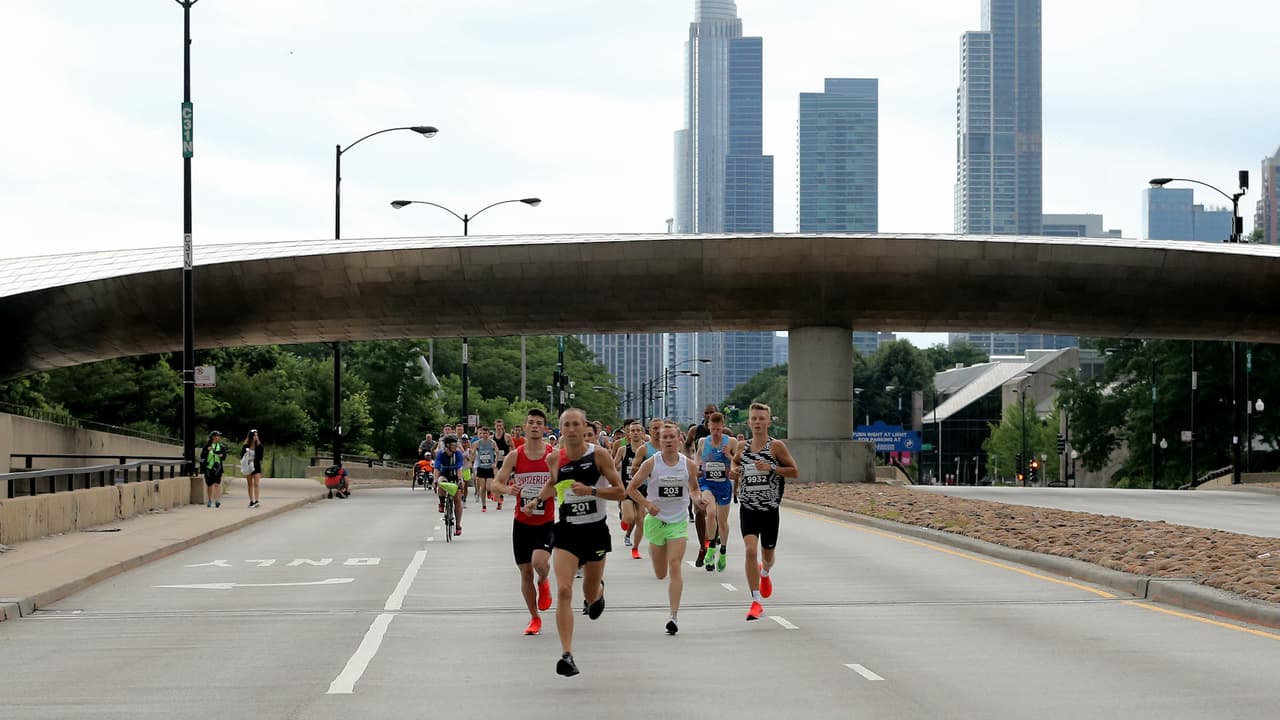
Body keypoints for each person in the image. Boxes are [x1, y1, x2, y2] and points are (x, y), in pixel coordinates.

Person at [523, 408, 625, 677]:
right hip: (567, 531)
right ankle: (567, 654)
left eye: (575, 424)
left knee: (589, 594)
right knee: (565, 590)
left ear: (583, 428)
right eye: (565, 425)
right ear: (560, 429)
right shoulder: (555, 458)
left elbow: (620, 491)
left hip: (595, 531)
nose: (570, 429)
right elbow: (552, 484)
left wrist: (591, 490)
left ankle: (597, 594)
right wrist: (537, 500)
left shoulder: (599, 455)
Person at [627, 422, 700, 635]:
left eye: (671, 437)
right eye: (664, 437)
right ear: (659, 441)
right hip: (657, 522)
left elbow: (694, 488)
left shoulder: (688, 465)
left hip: (678, 522)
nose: (668, 440)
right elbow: (631, 488)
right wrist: (648, 504)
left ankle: (673, 616)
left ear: (679, 440)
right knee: (660, 573)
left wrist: (698, 499)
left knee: (675, 563)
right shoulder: (652, 463)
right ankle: (653, 550)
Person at [730, 402, 799, 621]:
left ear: (768, 422)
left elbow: (794, 471)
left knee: (767, 556)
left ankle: (765, 572)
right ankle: (756, 601)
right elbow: (734, 464)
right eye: (754, 418)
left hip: (769, 510)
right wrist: (734, 472)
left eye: (761, 418)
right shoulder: (743, 447)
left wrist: (772, 468)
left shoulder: (775, 447)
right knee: (750, 551)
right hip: (748, 508)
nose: (757, 422)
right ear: (749, 421)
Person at [490, 409, 556, 636]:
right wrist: (508, 489)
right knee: (526, 571)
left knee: (539, 563)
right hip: (522, 523)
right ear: (525, 427)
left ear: (545, 428)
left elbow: (563, 482)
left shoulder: (552, 455)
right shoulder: (515, 456)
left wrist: (551, 493)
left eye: (539, 423)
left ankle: (545, 581)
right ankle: (534, 618)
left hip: (545, 521)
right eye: (531, 423)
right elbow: (495, 484)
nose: (535, 426)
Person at [696, 412, 737, 572]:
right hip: (707, 483)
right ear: (708, 427)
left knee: (722, 521)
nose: (716, 432)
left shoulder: (731, 441)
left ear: (723, 427)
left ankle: (723, 550)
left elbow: (738, 461)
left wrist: (729, 456)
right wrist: (697, 467)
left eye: (719, 429)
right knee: (710, 513)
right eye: (713, 429)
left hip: (723, 485)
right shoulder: (702, 442)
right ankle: (711, 545)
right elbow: (697, 458)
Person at [614, 420, 647, 552]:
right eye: (633, 430)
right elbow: (613, 465)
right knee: (629, 517)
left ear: (643, 433)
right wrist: (618, 467)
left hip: (642, 488)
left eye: (638, 430)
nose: (635, 433)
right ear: (628, 433)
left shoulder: (646, 449)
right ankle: (624, 519)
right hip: (627, 487)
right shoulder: (623, 450)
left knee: (641, 520)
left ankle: (633, 543)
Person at [435, 436, 467, 536]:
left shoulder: (458, 454)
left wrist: (460, 481)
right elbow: (437, 468)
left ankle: (458, 525)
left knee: (457, 500)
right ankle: (441, 502)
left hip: (454, 476)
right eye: (454, 445)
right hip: (444, 475)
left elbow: (459, 469)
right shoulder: (440, 454)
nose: (456, 447)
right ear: (448, 446)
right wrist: (435, 480)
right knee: (440, 482)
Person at [472, 426, 499, 511]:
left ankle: (490, 492)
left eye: (486, 433)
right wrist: (471, 461)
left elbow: (497, 452)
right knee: (482, 487)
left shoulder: (492, 443)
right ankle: (484, 505)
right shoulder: (477, 443)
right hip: (481, 467)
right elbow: (472, 452)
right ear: (481, 434)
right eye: (483, 433)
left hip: (489, 467)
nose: (485, 435)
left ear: (488, 434)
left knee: (488, 487)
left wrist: (495, 462)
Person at [201, 431, 227, 508]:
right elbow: (202, 456)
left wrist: (221, 455)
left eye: (219, 436)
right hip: (208, 467)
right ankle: (209, 500)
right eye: (218, 436)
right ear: (213, 437)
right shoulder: (207, 446)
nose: (219, 437)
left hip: (218, 468)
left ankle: (217, 500)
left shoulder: (221, 447)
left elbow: (224, 457)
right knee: (209, 485)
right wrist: (207, 451)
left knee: (217, 484)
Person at [241, 429, 264, 508]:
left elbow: (260, 458)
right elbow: (242, 456)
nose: (256, 437)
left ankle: (257, 500)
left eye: (257, 435)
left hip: (256, 466)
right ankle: (251, 501)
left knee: (256, 484)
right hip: (248, 466)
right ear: (251, 436)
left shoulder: (259, 446)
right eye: (254, 435)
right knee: (250, 484)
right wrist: (248, 460)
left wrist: (254, 460)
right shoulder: (245, 446)